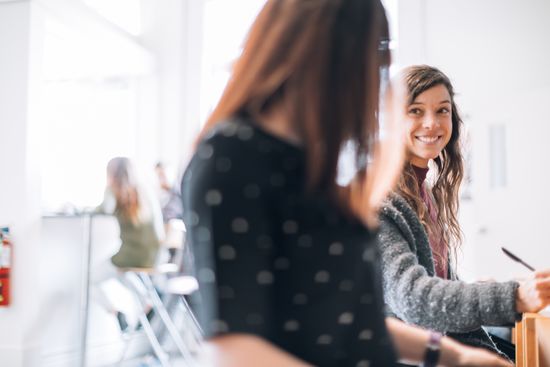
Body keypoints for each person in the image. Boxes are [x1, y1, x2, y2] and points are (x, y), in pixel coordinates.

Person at [182, 1, 511, 366]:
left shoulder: (315, 164)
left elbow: (354, 321)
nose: (374, 82)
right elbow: (232, 348)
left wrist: (453, 356)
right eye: (369, 58)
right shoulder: (233, 156)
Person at [376, 64, 550, 361]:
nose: (432, 123)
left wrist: (484, 289)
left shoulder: (423, 194)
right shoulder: (382, 202)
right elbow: (415, 301)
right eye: (415, 111)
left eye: (442, 110)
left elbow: (441, 287)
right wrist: (515, 296)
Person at [93, 157, 165, 330]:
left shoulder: (114, 190)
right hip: (156, 256)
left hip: (132, 255)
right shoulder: (145, 189)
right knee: (120, 271)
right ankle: (146, 301)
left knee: (90, 278)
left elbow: (105, 209)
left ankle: (116, 312)